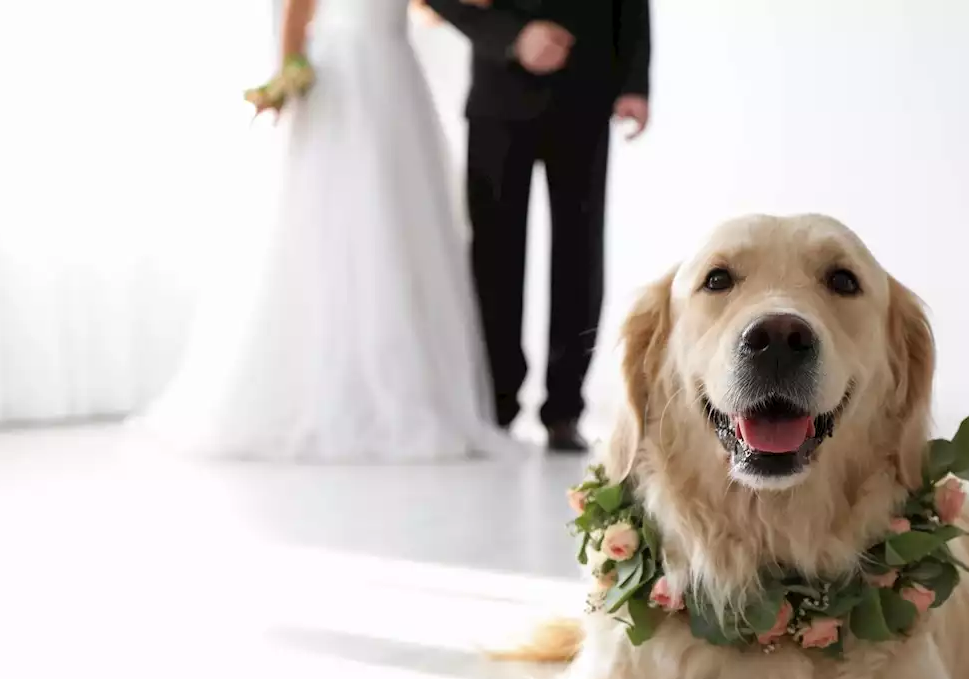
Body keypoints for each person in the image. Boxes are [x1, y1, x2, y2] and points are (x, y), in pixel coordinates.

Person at [141, 0, 505, 462]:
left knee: (402, 230)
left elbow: (428, 10)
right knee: (337, 225)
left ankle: (408, 384)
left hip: (395, 79)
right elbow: (296, 12)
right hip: (340, 77)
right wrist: (288, 73)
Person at [424, 0, 651, 452]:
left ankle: (565, 408)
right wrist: (511, 37)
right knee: (494, 259)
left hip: (587, 90)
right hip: (498, 95)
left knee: (580, 254)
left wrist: (635, 82)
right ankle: (496, 403)